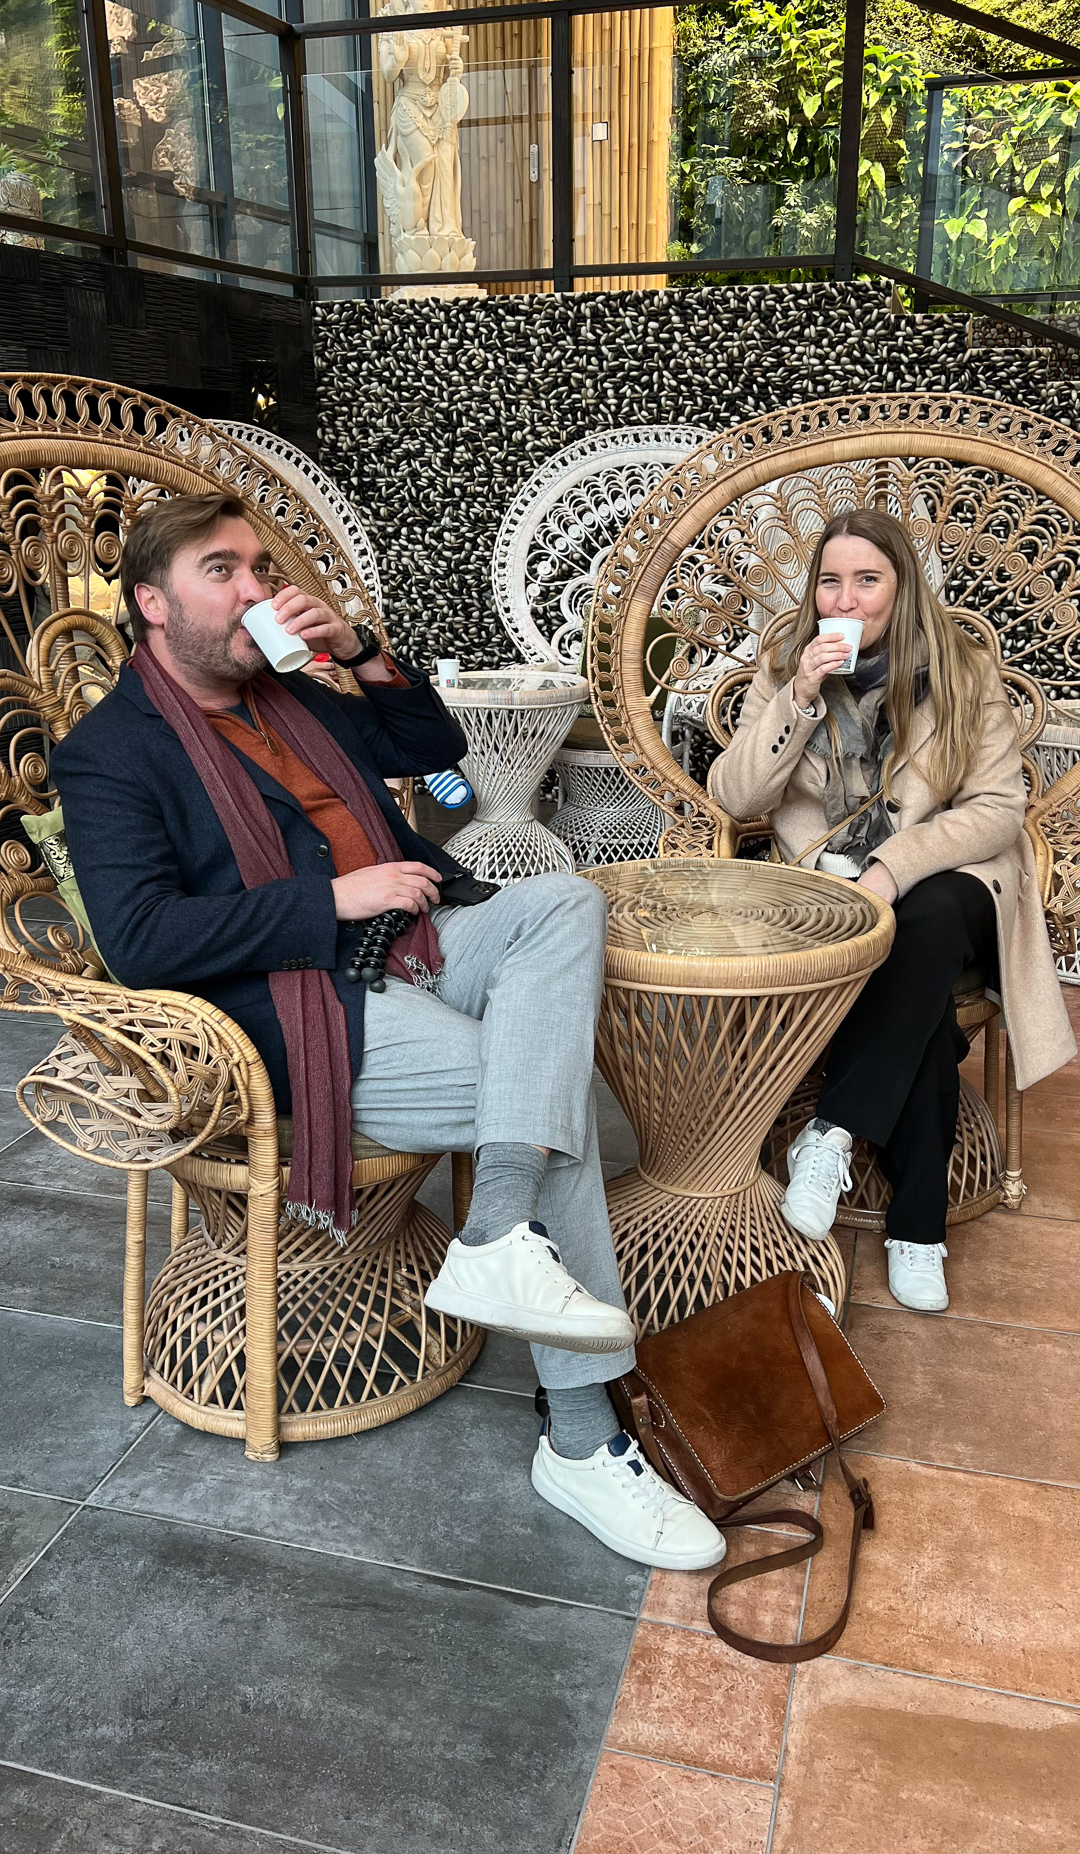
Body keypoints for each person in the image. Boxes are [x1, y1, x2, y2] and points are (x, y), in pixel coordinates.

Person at [53, 494, 725, 1573]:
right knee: (541, 1105)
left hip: (418, 937)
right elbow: (141, 940)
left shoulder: (291, 693)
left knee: (564, 903)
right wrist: (334, 900)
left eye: (259, 570)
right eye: (221, 571)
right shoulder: (112, 754)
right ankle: (584, 1437)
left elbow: (433, 740)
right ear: (150, 602)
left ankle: (496, 1232)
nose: (256, 590)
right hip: (307, 1000)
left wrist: (359, 649)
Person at [708, 508, 1075, 1311]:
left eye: (868, 580)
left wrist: (891, 867)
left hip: (957, 881)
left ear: (901, 588)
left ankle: (830, 1130)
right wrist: (798, 698)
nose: (849, 598)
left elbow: (996, 810)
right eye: (831, 580)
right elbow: (735, 796)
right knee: (920, 1011)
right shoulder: (786, 668)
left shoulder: (963, 672)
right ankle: (918, 1228)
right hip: (831, 894)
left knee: (929, 918)